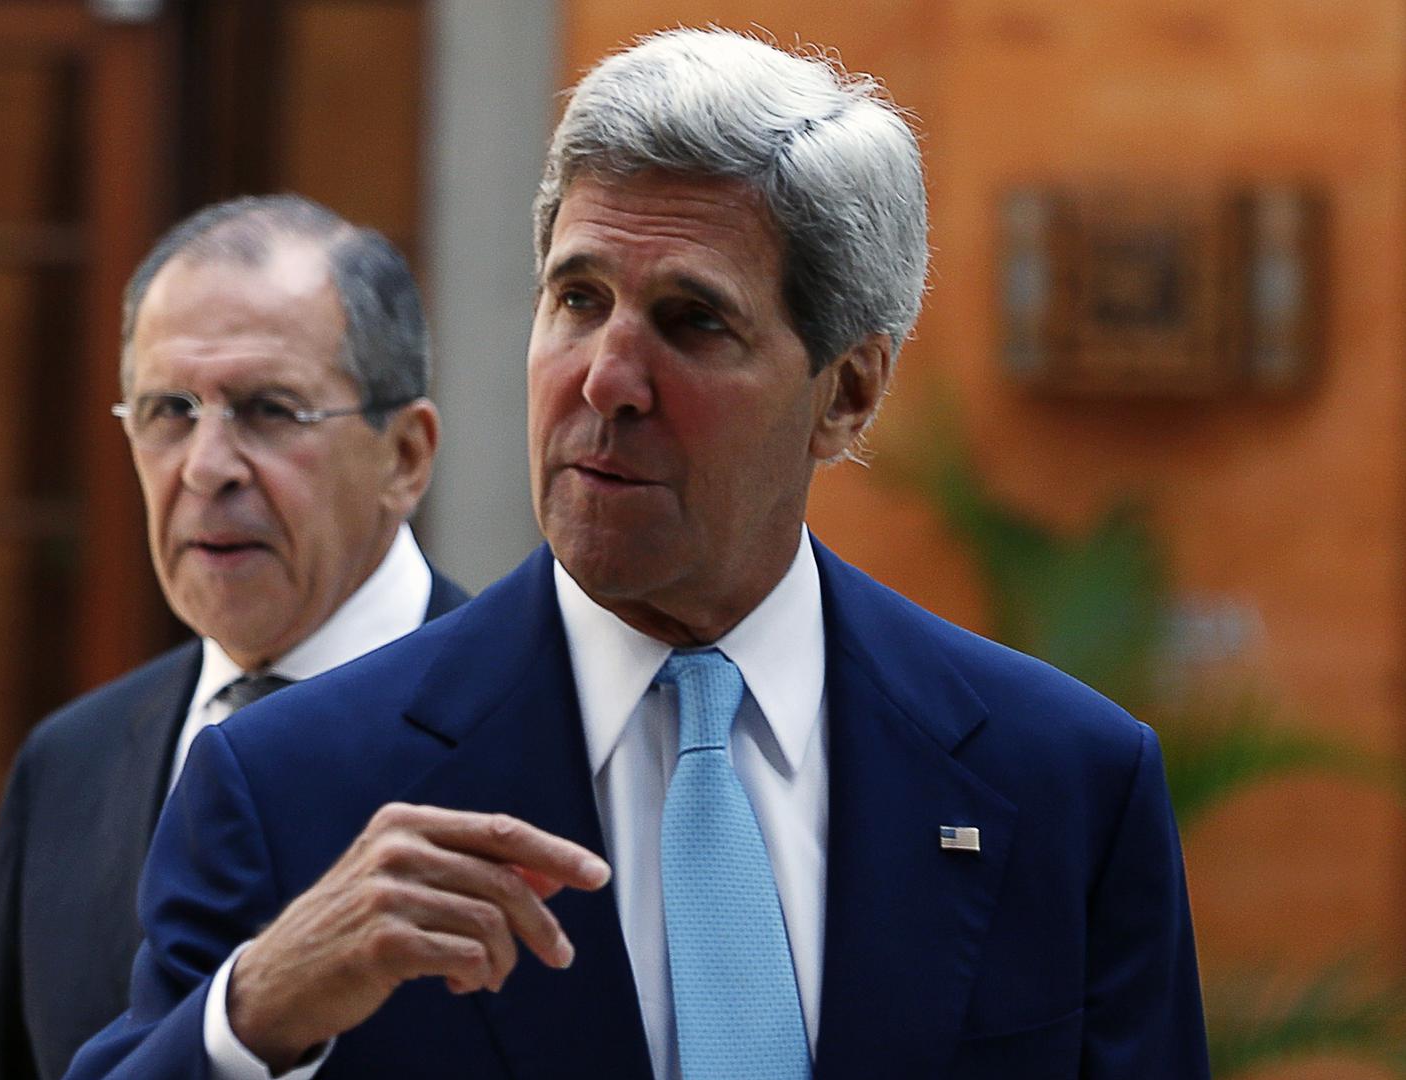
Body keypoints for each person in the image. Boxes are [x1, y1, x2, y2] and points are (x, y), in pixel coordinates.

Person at [67, 30, 1209, 1080]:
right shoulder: (292, 786)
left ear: (848, 392)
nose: (606, 379)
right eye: (578, 299)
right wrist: (255, 1015)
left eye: (692, 321)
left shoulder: (1062, 782)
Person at [0, 194, 469, 1080]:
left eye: (269, 409)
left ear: (405, 456)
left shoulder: (533, 722)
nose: (205, 468)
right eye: (169, 409)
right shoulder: (67, 766)